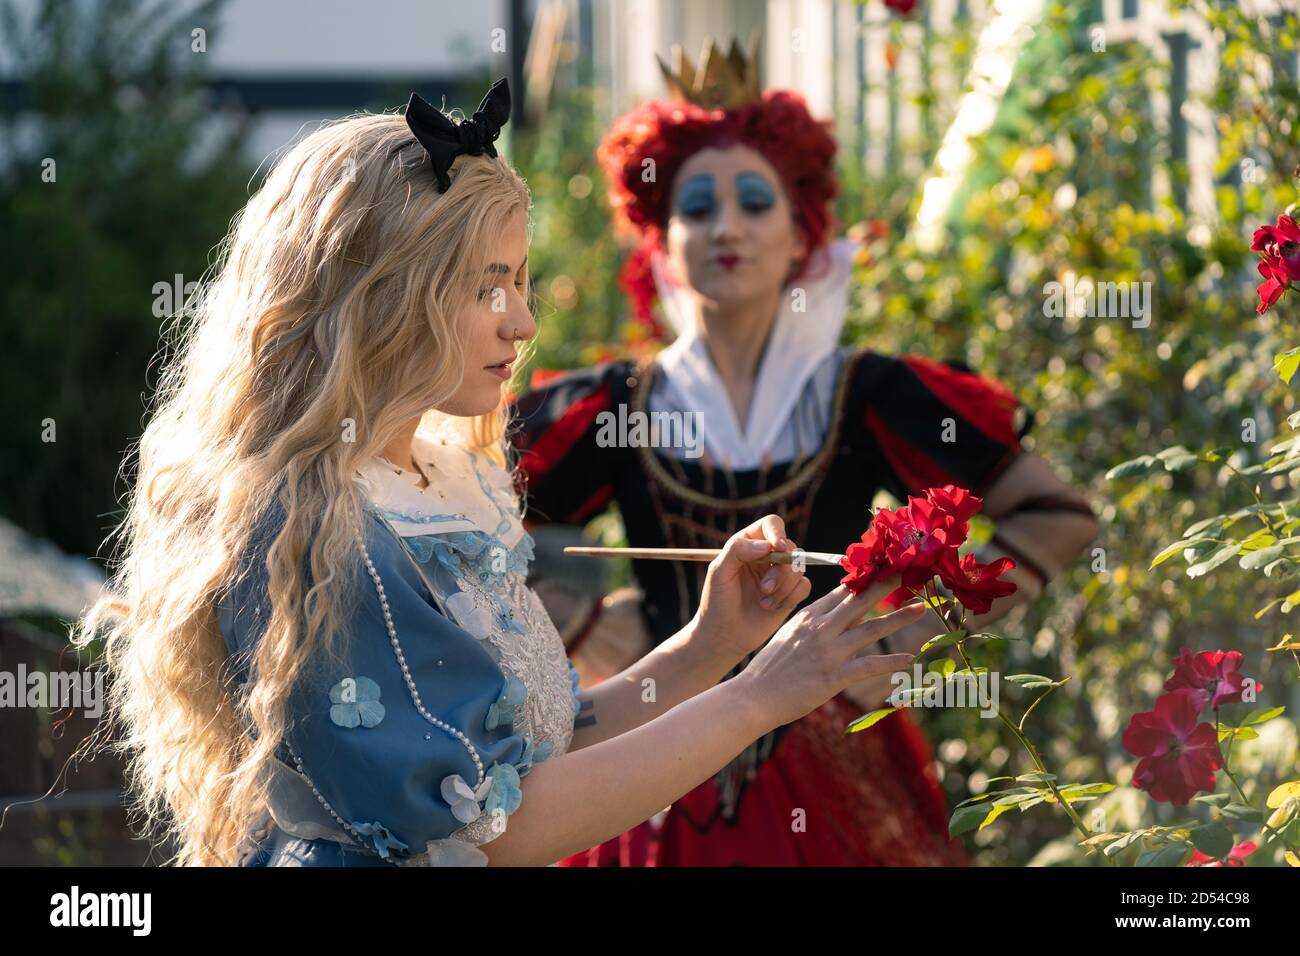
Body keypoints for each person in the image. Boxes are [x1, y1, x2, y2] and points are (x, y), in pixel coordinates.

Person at [72, 78, 926, 867]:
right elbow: (499, 825)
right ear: (382, 293)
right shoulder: (322, 522)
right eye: (486, 287)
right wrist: (758, 697)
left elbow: (531, 753)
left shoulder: (441, 481)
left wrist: (712, 647)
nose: (521, 320)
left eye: (520, 280)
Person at [510, 40, 1100, 866]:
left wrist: (907, 639)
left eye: (755, 201)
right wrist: (576, 623)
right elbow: (471, 530)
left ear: (802, 235)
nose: (727, 228)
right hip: (654, 755)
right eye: (696, 207)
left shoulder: (871, 394)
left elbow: (1057, 514)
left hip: (838, 759)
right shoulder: (614, 406)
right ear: (659, 238)